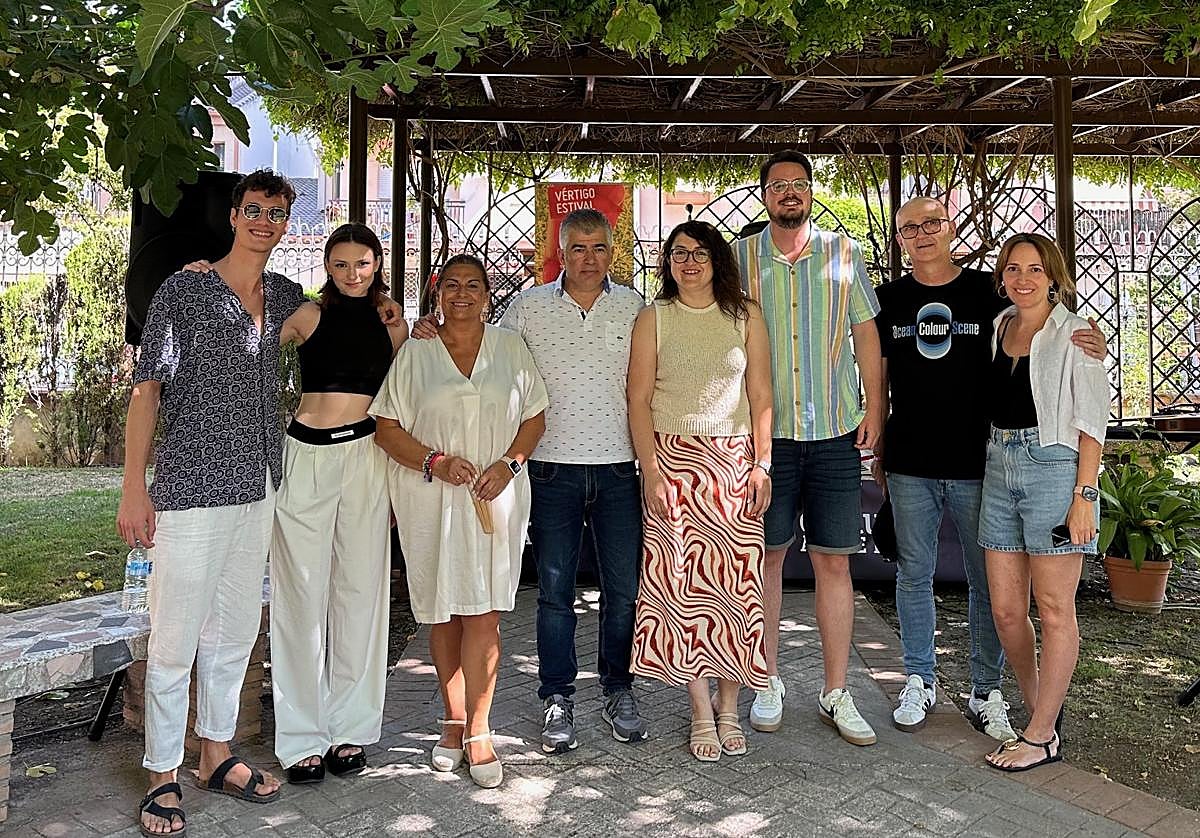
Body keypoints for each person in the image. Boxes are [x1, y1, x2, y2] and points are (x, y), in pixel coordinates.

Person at [411, 209, 648, 753]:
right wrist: (429, 326)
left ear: (613, 253)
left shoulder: (634, 307)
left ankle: (618, 688)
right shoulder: (528, 308)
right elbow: (479, 346)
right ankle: (557, 696)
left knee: (621, 590)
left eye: (600, 249)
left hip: (619, 469)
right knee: (555, 593)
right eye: (578, 248)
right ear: (560, 253)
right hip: (549, 469)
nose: (589, 259)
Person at [116, 170, 307, 837]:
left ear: (288, 223)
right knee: (174, 638)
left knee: (232, 634)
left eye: (276, 212)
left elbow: (343, 314)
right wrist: (133, 486)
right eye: (253, 209)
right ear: (233, 216)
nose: (264, 221)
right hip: (192, 487)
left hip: (257, 485)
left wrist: (401, 319)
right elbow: (146, 392)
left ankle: (216, 754)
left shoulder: (285, 296)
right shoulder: (183, 290)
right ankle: (162, 772)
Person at [874, 198, 1107, 738]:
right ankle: (919, 679)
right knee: (914, 573)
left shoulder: (988, 293)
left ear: (950, 228)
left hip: (983, 463)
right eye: (912, 227)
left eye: (934, 223)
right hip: (912, 459)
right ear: (902, 237)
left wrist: (1090, 339)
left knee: (991, 588)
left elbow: (1056, 335)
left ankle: (987, 690)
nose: (924, 234)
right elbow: (878, 377)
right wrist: (881, 445)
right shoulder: (889, 300)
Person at [371, 254, 548, 788]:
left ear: (488, 294)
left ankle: (479, 728)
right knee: (442, 612)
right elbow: (385, 425)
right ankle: (450, 722)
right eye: (452, 285)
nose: (463, 294)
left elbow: (535, 415)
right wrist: (436, 461)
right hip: (430, 498)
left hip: (496, 497)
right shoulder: (418, 351)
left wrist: (509, 463)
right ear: (437, 293)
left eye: (474, 285)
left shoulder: (510, 347)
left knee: (485, 613)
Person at [732, 150, 883, 745]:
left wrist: (877, 409)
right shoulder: (740, 258)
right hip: (765, 437)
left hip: (835, 433)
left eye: (798, 184)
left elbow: (866, 336)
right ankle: (766, 681)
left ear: (812, 192)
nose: (788, 193)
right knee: (765, 560)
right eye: (778, 185)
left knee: (833, 561)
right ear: (763, 194)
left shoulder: (844, 256)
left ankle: (836, 690)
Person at [626, 221, 773, 761]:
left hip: (734, 465)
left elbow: (761, 394)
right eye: (678, 253)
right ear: (667, 262)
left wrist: (763, 465)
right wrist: (652, 471)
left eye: (700, 253)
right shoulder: (653, 318)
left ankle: (730, 706)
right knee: (682, 590)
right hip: (672, 464)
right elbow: (638, 399)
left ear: (718, 260)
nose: (689, 262)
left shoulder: (745, 315)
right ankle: (699, 711)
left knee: (736, 591)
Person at [269, 223, 408, 785]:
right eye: (342, 264)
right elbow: (242, 340)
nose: (354, 273)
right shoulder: (305, 315)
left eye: (364, 263)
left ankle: (350, 729)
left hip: (367, 457)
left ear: (377, 264)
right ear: (328, 267)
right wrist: (204, 273)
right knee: (299, 590)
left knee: (360, 590)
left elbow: (404, 388)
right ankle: (301, 735)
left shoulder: (390, 320)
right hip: (307, 454)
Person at [979, 233, 1109, 771]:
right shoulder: (999, 326)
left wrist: (1085, 495)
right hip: (997, 465)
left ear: (1053, 276)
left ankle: (1037, 734)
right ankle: (1043, 718)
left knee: (1055, 610)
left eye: (1035, 269)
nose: (1024, 279)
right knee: (1008, 612)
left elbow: (1092, 420)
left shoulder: (1076, 334)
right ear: (1003, 277)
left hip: (1054, 468)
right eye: (1013, 269)